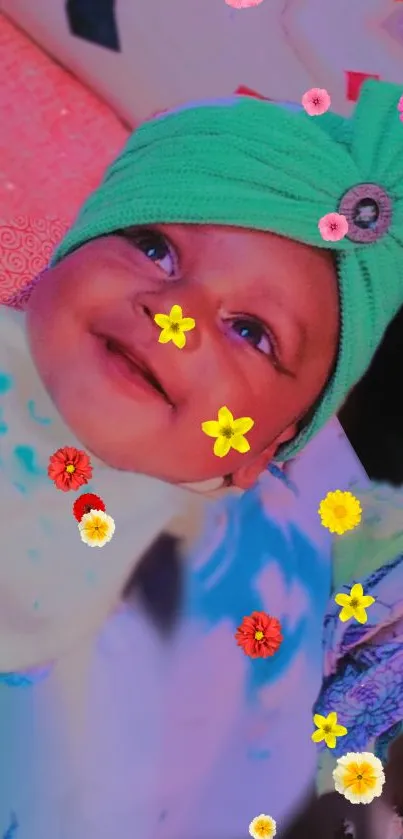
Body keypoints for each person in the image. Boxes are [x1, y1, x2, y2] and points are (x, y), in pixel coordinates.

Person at [0, 78, 403, 839]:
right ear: (47, 271)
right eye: (155, 248)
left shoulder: (282, 567)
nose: (176, 317)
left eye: (251, 330)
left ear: (263, 451)